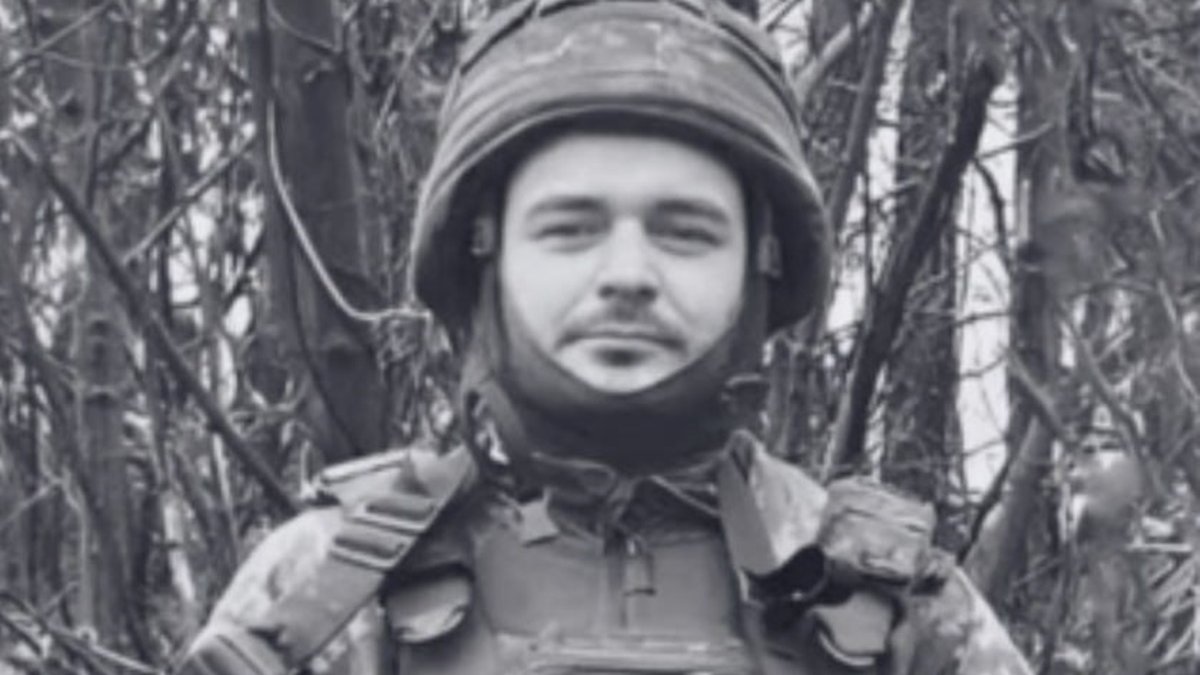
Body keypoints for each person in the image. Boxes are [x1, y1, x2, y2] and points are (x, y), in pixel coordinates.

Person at [178, 0, 1034, 673]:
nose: (628, 273)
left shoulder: (889, 607)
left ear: (759, 267)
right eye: (571, 228)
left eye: (685, 232)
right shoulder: (331, 595)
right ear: (485, 254)